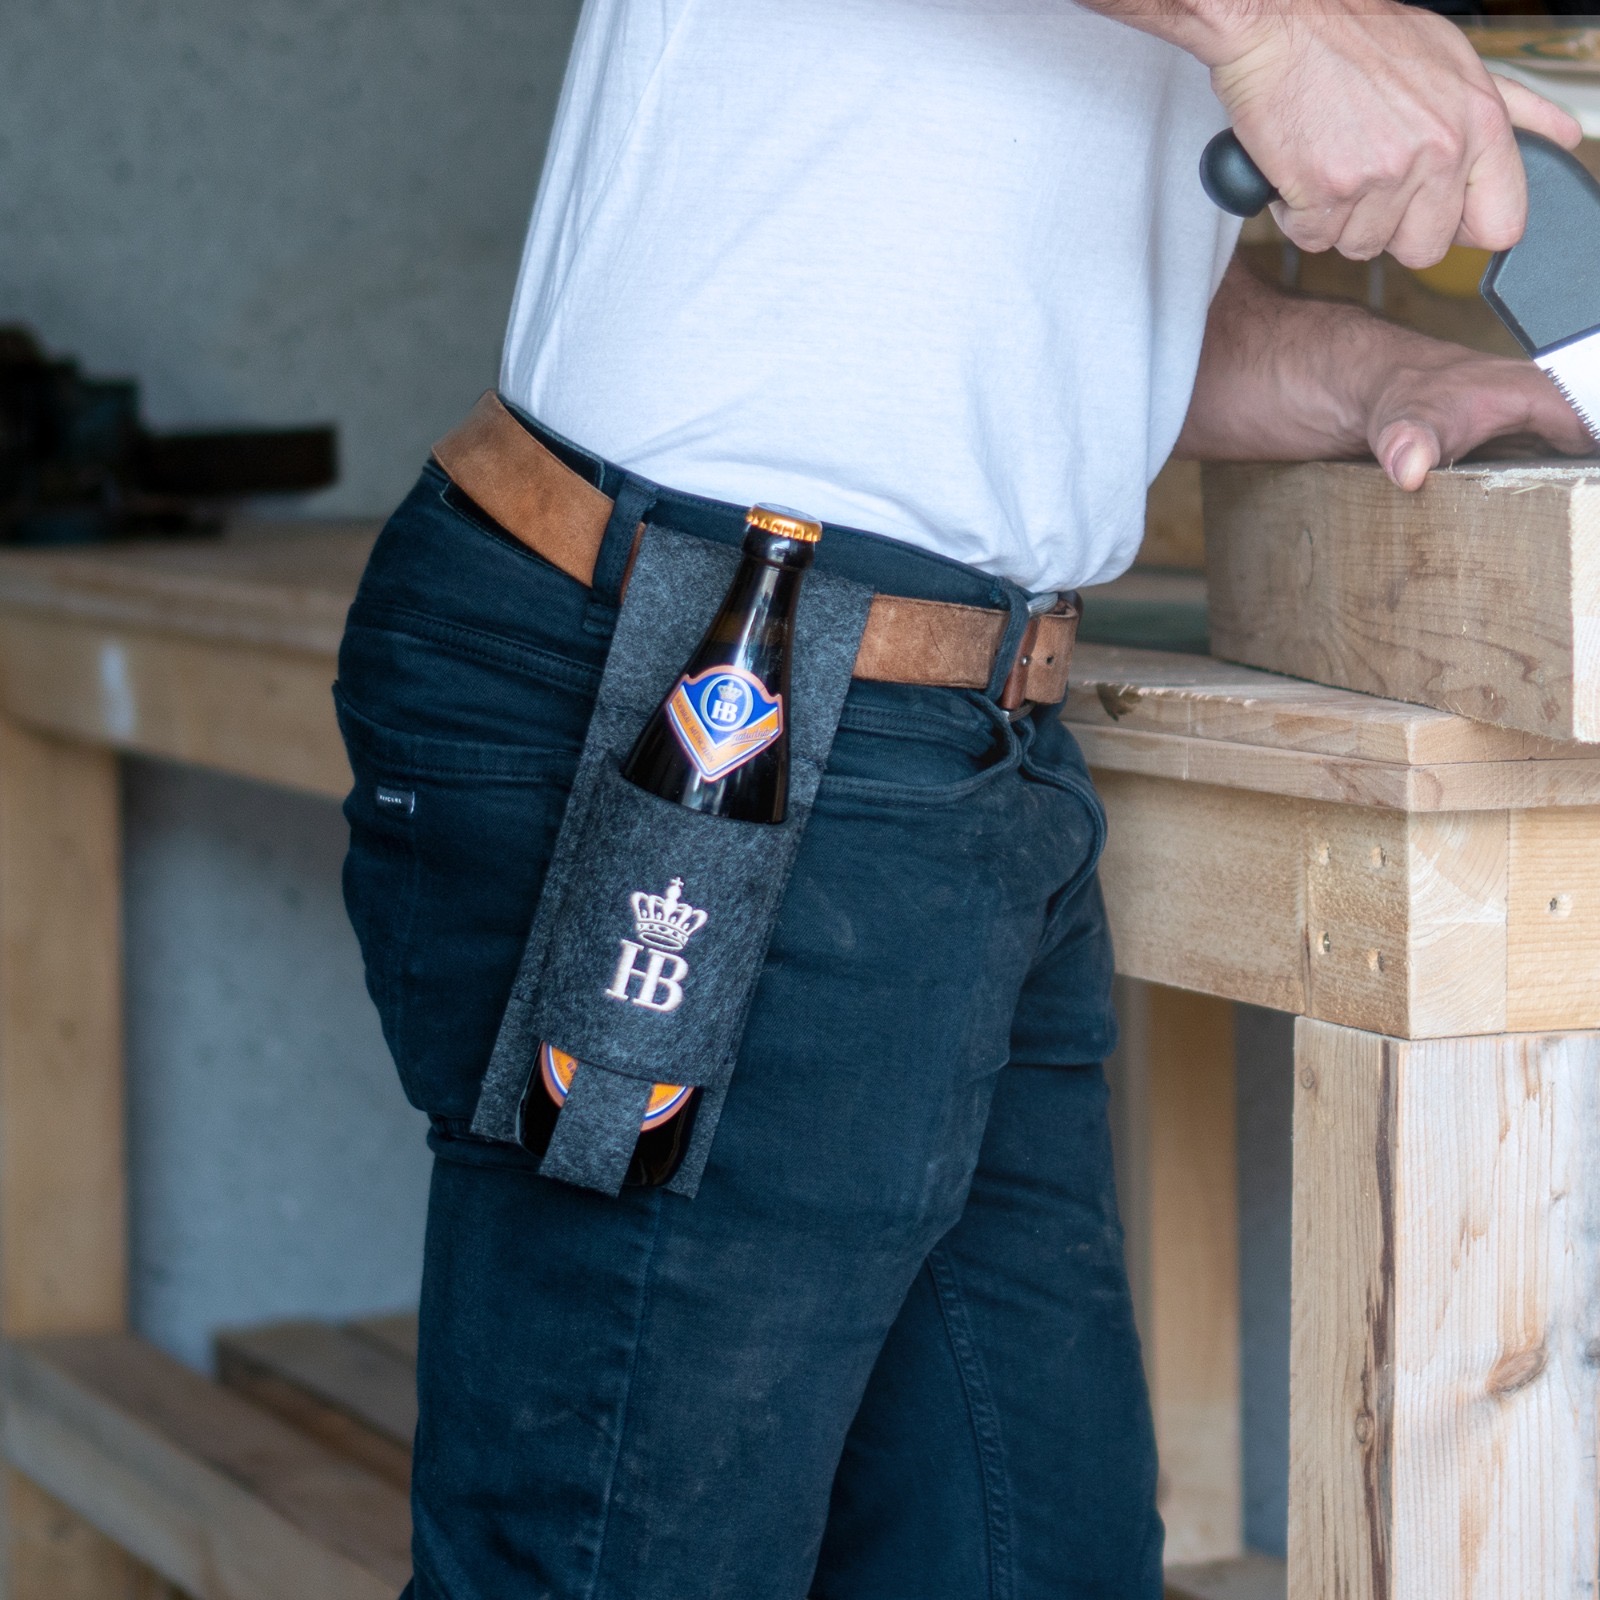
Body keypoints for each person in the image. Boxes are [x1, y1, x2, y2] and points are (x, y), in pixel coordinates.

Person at [333, 3, 1591, 1596]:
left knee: (1024, 1557)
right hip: (717, 696)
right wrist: (1283, 34)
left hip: (949, 745)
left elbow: (1039, 299)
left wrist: (1382, 369)